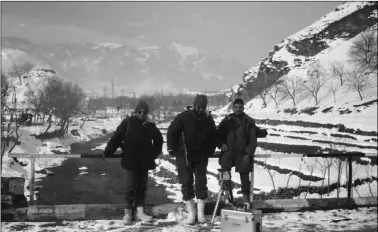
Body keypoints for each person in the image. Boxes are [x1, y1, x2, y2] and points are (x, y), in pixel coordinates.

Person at [103, 100, 163, 225]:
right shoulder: (128, 123)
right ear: (135, 112)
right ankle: (128, 213)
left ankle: (140, 212)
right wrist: (109, 151)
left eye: (145, 112)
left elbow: (159, 141)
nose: (142, 114)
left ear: (147, 113)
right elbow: (117, 137)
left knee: (142, 187)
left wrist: (152, 154)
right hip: (131, 161)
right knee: (129, 188)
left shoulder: (150, 125)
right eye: (139, 111)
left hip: (144, 162)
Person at [167, 94, 217, 225]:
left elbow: (213, 135)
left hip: (200, 156)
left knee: (201, 183)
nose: (201, 110)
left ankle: (200, 213)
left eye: (203, 107)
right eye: (198, 107)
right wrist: (171, 148)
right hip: (184, 155)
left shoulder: (208, 119)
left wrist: (209, 151)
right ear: (194, 105)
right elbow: (172, 131)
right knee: (186, 182)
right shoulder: (184, 116)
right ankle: (191, 212)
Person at [217, 98, 266, 208]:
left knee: (244, 177)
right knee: (225, 175)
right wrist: (221, 144)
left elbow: (253, 140)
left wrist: (248, 154)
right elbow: (218, 134)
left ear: (243, 108)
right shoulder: (226, 120)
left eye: (240, 107)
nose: (238, 109)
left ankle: (246, 202)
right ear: (233, 108)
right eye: (236, 107)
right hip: (228, 152)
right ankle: (227, 198)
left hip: (243, 153)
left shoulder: (249, 121)